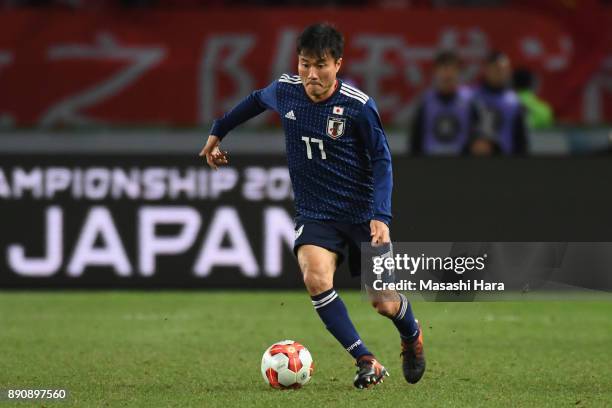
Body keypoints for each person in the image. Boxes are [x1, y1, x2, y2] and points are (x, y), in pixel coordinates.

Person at [199, 23, 425, 389]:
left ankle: (411, 335)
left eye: (320, 64)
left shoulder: (358, 106)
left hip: (363, 216)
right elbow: (256, 100)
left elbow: (382, 160)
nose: (311, 74)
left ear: (338, 64)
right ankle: (366, 360)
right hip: (316, 214)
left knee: (383, 302)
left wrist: (381, 216)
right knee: (315, 277)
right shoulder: (287, 91)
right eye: (305, 64)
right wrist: (218, 131)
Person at [411, 50, 482, 156]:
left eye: (452, 69)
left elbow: (479, 135)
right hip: (430, 164)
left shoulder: (470, 100)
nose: (447, 74)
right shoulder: (426, 101)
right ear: (435, 72)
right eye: (443, 69)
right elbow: (416, 138)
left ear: (458, 72)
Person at [471, 51, 528, 156]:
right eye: (497, 69)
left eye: (504, 69)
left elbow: (521, 139)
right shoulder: (473, 98)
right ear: (487, 70)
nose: (501, 73)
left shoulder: (514, 102)